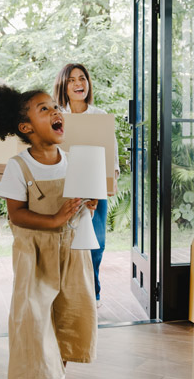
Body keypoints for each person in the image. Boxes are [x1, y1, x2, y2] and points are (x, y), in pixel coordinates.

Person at [0, 84, 98, 378]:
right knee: (35, 320)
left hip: (72, 254)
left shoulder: (73, 161)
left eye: (56, 107)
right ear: (26, 127)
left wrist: (89, 205)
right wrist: (55, 219)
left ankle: (59, 372)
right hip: (35, 257)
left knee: (69, 317)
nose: (56, 111)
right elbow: (17, 215)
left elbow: (80, 213)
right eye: (44, 109)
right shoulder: (18, 167)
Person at [53, 63, 120, 307]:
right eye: (72, 80)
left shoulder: (100, 116)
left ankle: (94, 292)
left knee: (96, 244)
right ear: (63, 85)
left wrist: (106, 186)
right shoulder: (55, 115)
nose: (78, 83)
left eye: (82, 78)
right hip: (63, 188)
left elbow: (111, 155)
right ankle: (67, 292)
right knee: (66, 242)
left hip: (95, 189)